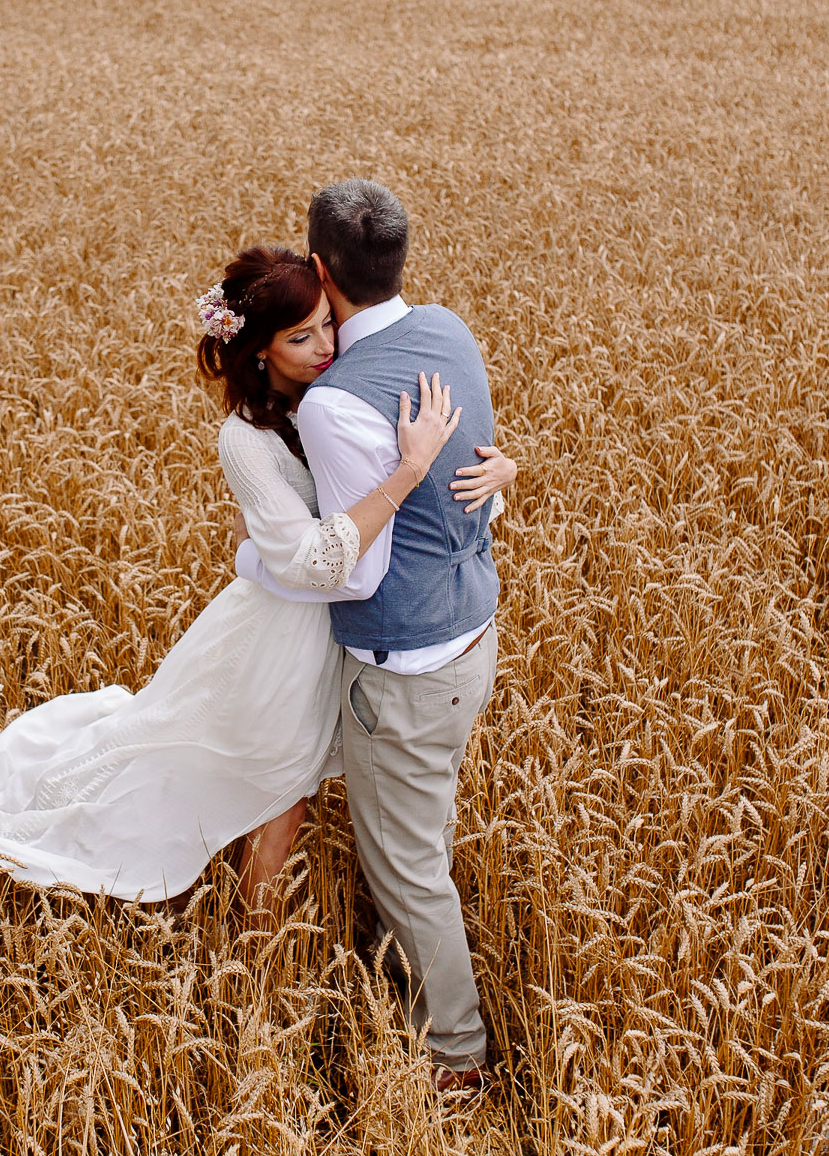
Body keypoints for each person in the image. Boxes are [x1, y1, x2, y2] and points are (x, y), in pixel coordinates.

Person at [0, 246, 517, 914]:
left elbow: (434, 501)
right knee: (275, 784)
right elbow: (310, 559)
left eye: (329, 323)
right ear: (259, 353)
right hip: (283, 635)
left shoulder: (346, 392)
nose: (327, 345)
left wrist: (500, 472)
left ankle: (257, 939)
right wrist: (408, 472)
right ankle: (256, 939)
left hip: (344, 630)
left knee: (289, 784)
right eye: (301, 337)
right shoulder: (246, 440)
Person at [234, 180, 500, 1095]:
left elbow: (354, 569)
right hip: (473, 637)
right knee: (407, 831)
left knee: (410, 863)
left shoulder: (331, 402)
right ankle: (388, 961)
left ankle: (455, 1058)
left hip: (404, 666)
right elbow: (478, 483)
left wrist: (264, 566)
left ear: (319, 270)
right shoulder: (453, 333)